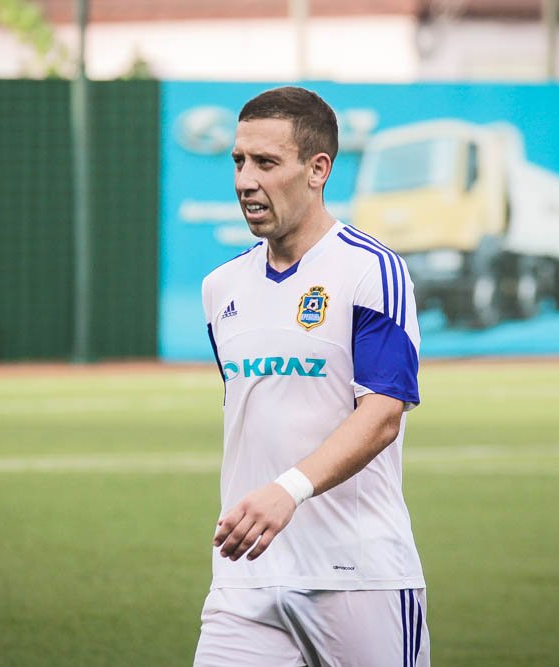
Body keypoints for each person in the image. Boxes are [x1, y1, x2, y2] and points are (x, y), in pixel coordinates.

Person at [194, 86, 429, 666]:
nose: (245, 180)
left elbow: (383, 415)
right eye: (238, 161)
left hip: (358, 576)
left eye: (266, 163)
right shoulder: (220, 288)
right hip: (244, 581)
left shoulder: (372, 270)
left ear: (317, 169)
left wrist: (288, 490)